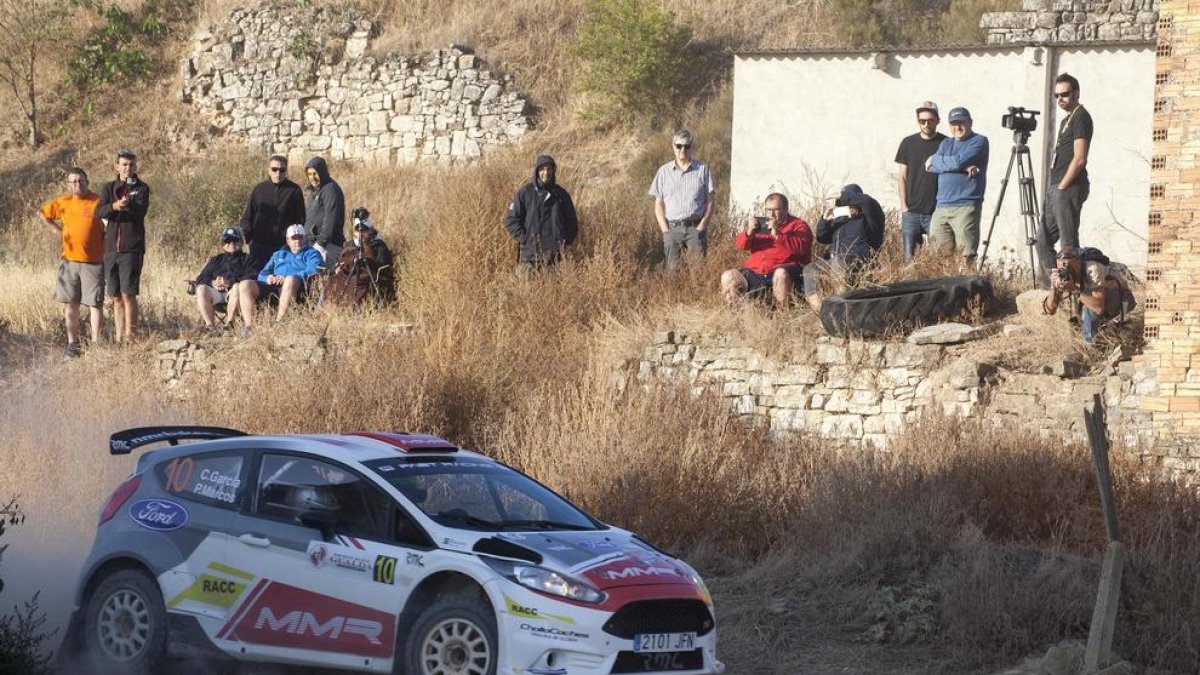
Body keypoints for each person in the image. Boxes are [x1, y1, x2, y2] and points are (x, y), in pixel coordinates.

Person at [38, 168, 104, 356]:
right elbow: (43, 214)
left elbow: (108, 223)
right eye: (73, 182)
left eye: (81, 181)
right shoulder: (63, 201)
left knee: (95, 304)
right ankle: (72, 345)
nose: (78, 184)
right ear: (68, 184)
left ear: (87, 181)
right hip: (69, 261)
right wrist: (58, 232)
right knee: (71, 304)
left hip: (93, 261)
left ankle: (96, 346)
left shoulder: (98, 201)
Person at [1037, 73, 1094, 287]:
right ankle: (1054, 288)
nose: (1060, 99)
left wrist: (1062, 187)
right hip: (1056, 187)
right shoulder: (1065, 120)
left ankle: (1076, 296)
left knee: (1068, 246)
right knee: (1042, 240)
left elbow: (1079, 158)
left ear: (1076, 94)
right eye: (1056, 95)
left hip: (1068, 187)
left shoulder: (1080, 116)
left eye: (1065, 94)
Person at [720, 193, 812, 307]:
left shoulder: (798, 225)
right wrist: (749, 232)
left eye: (776, 210)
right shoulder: (760, 224)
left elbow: (802, 248)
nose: (771, 214)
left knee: (781, 273)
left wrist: (778, 234)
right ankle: (738, 313)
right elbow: (740, 246)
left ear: (786, 209)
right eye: (768, 210)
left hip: (783, 271)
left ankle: (783, 315)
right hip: (756, 272)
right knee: (728, 276)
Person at [96, 149, 150, 342]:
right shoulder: (108, 188)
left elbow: (140, 212)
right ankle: (119, 338)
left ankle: (131, 336)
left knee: (128, 294)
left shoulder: (142, 188)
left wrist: (127, 204)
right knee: (116, 296)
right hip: (111, 249)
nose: (128, 168)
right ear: (117, 166)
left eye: (131, 164)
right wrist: (113, 206)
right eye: (124, 164)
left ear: (136, 166)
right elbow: (99, 211)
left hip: (131, 248)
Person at [804, 185, 885, 311]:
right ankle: (819, 310)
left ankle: (841, 308)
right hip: (835, 260)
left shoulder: (870, 216)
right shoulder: (840, 219)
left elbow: (867, 201)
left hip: (860, 259)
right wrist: (825, 220)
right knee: (810, 269)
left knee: (839, 263)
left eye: (851, 202)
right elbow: (821, 237)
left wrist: (844, 196)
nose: (848, 206)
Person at [926, 107, 989, 263]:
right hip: (941, 207)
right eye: (953, 123)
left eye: (962, 122)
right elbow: (929, 167)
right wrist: (964, 167)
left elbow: (954, 162)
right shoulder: (946, 143)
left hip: (965, 206)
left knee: (966, 258)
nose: (958, 127)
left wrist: (937, 160)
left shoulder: (979, 141)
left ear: (970, 122)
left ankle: (969, 287)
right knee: (939, 258)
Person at [649, 129, 715, 272]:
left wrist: (702, 226)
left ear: (692, 147)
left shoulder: (703, 169)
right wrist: (665, 231)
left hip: (695, 229)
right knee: (672, 275)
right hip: (672, 229)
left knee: (698, 276)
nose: (682, 150)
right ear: (673, 146)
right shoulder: (663, 172)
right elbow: (658, 205)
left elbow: (710, 201)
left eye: (687, 146)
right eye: (679, 146)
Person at [505, 155, 578, 269]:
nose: (546, 172)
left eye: (549, 169)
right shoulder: (524, 193)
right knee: (528, 287)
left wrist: (563, 242)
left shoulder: (562, 195)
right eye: (542, 169)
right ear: (536, 171)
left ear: (553, 171)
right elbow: (512, 220)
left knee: (554, 287)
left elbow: (572, 222)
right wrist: (525, 239)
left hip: (555, 259)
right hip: (530, 258)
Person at [1042, 248, 1127, 344]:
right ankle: (1098, 336)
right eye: (1062, 268)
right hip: (1094, 303)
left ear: (1078, 263)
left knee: (1088, 308)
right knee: (1077, 312)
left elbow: (1098, 308)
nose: (1066, 272)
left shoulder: (1093, 269)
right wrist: (1053, 287)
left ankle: (1089, 347)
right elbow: (1050, 310)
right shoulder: (1062, 276)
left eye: (1068, 268)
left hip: (1120, 299)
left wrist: (1074, 289)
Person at [895, 101, 946, 260]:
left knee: (938, 258)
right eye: (922, 121)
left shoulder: (946, 143)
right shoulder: (908, 143)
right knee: (910, 258)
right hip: (911, 211)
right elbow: (902, 176)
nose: (926, 124)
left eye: (930, 120)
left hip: (936, 212)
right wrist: (904, 206)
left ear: (937, 120)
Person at [239, 154, 306, 273]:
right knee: (256, 279)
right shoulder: (259, 189)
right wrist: (249, 239)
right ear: (269, 170)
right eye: (274, 169)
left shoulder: (294, 190)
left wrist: (292, 242)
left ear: (286, 171)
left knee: (280, 280)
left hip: (283, 247)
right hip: (259, 246)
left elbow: (300, 219)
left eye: (282, 170)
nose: (278, 173)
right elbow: (248, 216)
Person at [324, 207, 396, 307]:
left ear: (371, 230)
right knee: (331, 281)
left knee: (357, 281)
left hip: (369, 276)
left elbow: (383, 265)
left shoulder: (378, 245)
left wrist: (366, 258)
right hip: (347, 275)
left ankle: (354, 309)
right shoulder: (349, 245)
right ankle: (332, 309)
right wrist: (336, 269)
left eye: (364, 229)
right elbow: (338, 262)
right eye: (357, 230)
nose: (361, 232)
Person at [251, 224, 322, 324]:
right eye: (294, 238)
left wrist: (288, 278)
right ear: (288, 240)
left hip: (299, 287)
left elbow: (314, 270)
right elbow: (262, 274)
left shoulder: (312, 253)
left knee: (290, 280)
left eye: (300, 237)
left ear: (305, 238)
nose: (297, 241)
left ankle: (279, 322)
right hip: (274, 287)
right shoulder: (278, 254)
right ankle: (248, 326)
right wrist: (268, 278)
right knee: (245, 285)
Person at [193, 228, 257, 333]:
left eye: (235, 240)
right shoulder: (216, 260)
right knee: (201, 289)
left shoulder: (247, 259)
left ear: (241, 243)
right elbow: (201, 278)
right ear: (222, 244)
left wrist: (230, 282)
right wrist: (212, 283)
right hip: (216, 294)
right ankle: (210, 327)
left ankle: (229, 324)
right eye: (227, 241)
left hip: (236, 294)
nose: (231, 244)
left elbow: (253, 276)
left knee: (237, 287)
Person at [303, 156, 345, 267]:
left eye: (315, 173)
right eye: (310, 174)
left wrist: (320, 244)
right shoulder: (314, 191)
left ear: (322, 172)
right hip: (312, 244)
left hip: (327, 247)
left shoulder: (330, 189)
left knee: (323, 280)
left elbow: (331, 220)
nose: (313, 178)